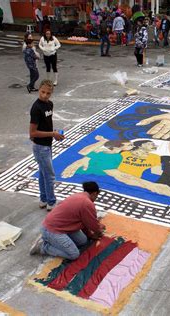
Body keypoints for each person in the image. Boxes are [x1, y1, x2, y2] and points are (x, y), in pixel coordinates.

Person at [29, 181, 106, 260]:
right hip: (52, 229)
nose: (96, 199)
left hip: (61, 226)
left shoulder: (78, 195)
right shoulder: (87, 203)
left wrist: (90, 234)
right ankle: (43, 247)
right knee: (74, 254)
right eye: (96, 196)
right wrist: (99, 231)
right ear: (94, 193)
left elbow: (85, 222)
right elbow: (92, 224)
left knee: (83, 241)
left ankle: (52, 240)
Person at [29, 80, 65, 211]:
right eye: (42, 92)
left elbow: (46, 123)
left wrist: (54, 133)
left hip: (47, 144)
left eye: (48, 93)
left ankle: (43, 199)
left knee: (44, 173)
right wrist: (52, 134)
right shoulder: (36, 108)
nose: (45, 95)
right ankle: (51, 202)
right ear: (39, 90)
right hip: (40, 147)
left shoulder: (49, 104)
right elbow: (32, 132)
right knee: (49, 175)